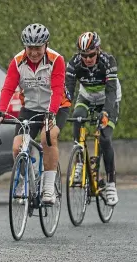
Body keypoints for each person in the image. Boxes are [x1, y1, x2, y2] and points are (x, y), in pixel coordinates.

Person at [0, 23, 71, 204]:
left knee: (48, 137)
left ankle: (49, 188)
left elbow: (57, 89)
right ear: (24, 46)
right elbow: (8, 87)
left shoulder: (56, 60)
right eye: (30, 48)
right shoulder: (18, 61)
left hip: (57, 107)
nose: (34, 53)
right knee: (17, 147)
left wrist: (51, 113)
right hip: (30, 108)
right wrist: (0, 111)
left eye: (38, 48)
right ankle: (25, 180)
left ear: (46, 45)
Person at [65, 31, 121, 206]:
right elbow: (68, 89)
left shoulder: (108, 61)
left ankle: (111, 183)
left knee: (104, 137)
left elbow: (111, 91)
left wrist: (105, 112)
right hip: (87, 97)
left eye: (91, 55)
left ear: (98, 50)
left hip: (108, 99)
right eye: (84, 55)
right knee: (77, 117)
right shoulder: (74, 63)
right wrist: (62, 109)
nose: (87, 59)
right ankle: (80, 161)